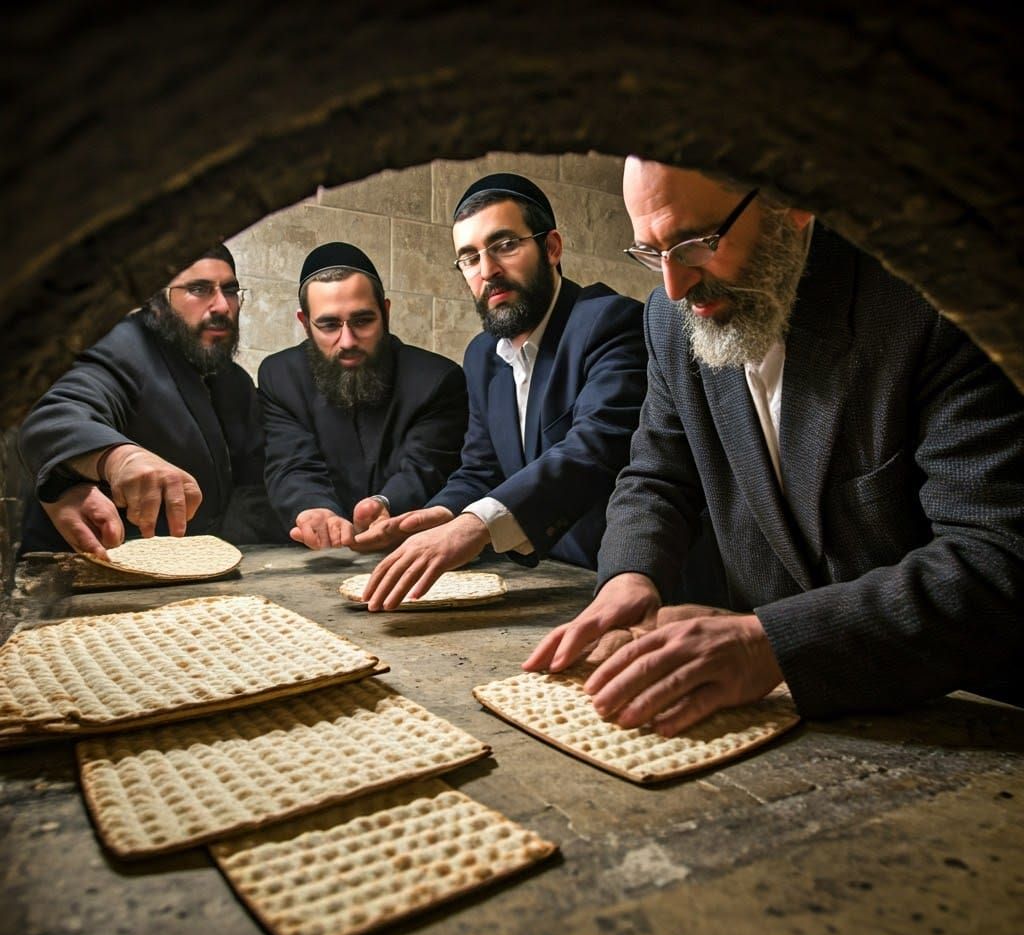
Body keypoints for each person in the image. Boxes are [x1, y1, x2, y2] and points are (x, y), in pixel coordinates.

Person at [526, 157, 1024, 732]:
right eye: (650, 251)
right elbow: (658, 476)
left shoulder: (934, 302)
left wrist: (772, 645)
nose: (673, 284)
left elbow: (997, 557)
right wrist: (629, 577)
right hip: (778, 714)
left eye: (694, 243)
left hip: (967, 711)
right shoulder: (669, 319)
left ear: (793, 201)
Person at [359, 172, 648, 610]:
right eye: (469, 258)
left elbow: (594, 448)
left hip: (619, 582)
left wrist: (472, 526)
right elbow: (480, 470)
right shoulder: (481, 356)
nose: (487, 271)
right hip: (544, 587)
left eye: (505, 245)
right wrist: (439, 516)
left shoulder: (611, 322)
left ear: (551, 248)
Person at [18, 244, 284, 557]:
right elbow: (55, 417)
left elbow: (253, 481)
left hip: (194, 570)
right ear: (157, 303)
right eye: (199, 289)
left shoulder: (233, 381)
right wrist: (120, 459)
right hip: (93, 574)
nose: (222, 306)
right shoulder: (122, 347)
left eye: (230, 290)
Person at [257, 242, 468, 550]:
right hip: (316, 556)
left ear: (385, 312)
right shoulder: (280, 376)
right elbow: (290, 462)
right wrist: (314, 508)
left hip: (411, 549)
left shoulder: (437, 379)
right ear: (305, 323)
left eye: (362, 321)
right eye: (329, 325)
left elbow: (425, 466)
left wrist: (386, 503)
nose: (347, 341)